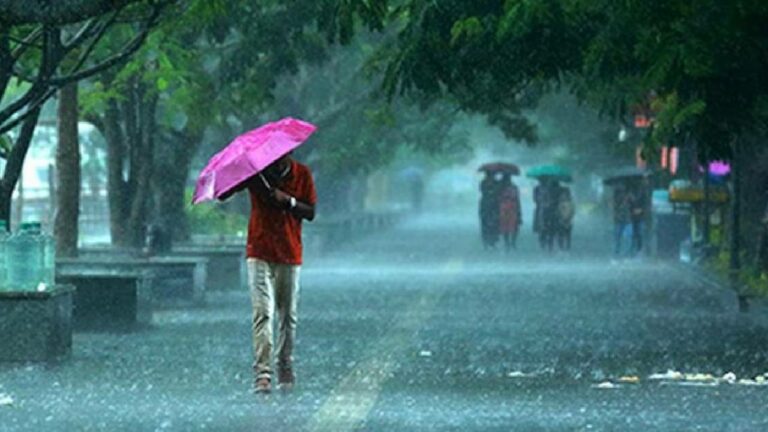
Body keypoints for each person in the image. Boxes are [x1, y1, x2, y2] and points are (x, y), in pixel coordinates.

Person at [220, 152, 316, 393]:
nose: (277, 160)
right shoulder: (256, 174)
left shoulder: (302, 174)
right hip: (259, 250)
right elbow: (224, 194)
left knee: (287, 315)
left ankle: (285, 363)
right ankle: (263, 373)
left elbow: (311, 212)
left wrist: (289, 201)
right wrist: (238, 173)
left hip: (289, 252)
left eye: (282, 156)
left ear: (290, 153)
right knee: (262, 312)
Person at [498, 173, 522, 251]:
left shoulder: (504, 188)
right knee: (509, 226)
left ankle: (510, 242)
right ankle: (510, 242)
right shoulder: (503, 188)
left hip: (508, 208)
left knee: (510, 226)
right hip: (508, 208)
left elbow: (517, 199)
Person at [479, 171, 502, 249]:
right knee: (485, 223)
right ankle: (486, 241)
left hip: (494, 205)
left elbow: (499, 191)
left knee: (495, 223)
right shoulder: (483, 182)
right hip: (486, 205)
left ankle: (493, 241)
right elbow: (482, 191)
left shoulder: (496, 182)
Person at [613, 185, 633, 257]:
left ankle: (625, 254)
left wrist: (629, 197)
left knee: (628, 238)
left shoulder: (630, 196)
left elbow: (634, 203)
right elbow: (615, 206)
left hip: (627, 219)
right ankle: (616, 254)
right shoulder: (616, 196)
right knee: (617, 238)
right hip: (620, 219)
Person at [556, 187, 575, 251]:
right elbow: (558, 212)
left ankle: (567, 247)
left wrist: (568, 218)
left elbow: (572, 212)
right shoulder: (560, 203)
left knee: (567, 235)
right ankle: (562, 246)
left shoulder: (570, 203)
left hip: (568, 221)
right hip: (561, 221)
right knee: (561, 234)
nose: (564, 196)